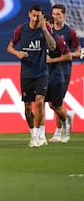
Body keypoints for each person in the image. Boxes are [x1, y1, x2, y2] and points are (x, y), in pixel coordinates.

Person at [7, 5, 56, 148]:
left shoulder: (45, 27)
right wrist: (17, 53)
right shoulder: (21, 29)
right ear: (29, 14)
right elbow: (9, 47)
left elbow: (52, 46)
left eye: (39, 16)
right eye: (34, 15)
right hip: (26, 73)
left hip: (41, 72)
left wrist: (44, 28)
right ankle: (33, 133)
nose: (36, 18)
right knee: (28, 107)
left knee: (40, 102)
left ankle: (41, 134)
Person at [48, 4, 80, 142]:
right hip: (49, 70)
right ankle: (68, 114)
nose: (55, 17)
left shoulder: (70, 32)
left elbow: (79, 52)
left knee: (57, 102)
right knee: (51, 104)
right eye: (53, 14)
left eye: (58, 14)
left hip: (64, 70)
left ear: (64, 15)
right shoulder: (48, 30)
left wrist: (65, 54)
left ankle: (58, 132)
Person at [43, 14, 72, 143]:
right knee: (48, 105)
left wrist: (52, 60)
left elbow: (68, 56)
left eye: (45, 23)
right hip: (42, 77)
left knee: (57, 105)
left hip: (56, 76)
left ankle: (65, 126)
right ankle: (39, 135)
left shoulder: (58, 39)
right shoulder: (37, 39)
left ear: (50, 24)